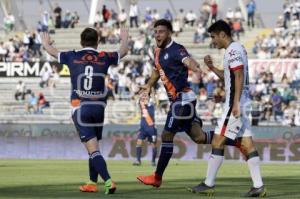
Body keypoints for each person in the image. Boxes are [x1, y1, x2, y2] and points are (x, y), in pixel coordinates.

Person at [136, 19, 236, 188]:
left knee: (167, 135)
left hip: (182, 99)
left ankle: (157, 177)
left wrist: (196, 66)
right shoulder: (157, 52)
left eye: (161, 31)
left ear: (169, 33)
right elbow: (156, 70)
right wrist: (148, 85)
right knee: (199, 137)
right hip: (182, 101)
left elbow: (188, 60)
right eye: (156, 32)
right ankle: (236, 140)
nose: (157, 35)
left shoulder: (177, 49)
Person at [40, 26, 129, 194]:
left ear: (81, 42)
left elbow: (52, 51)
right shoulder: (104, 57)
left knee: (93, 149)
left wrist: (46, 42)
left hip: (81, 108)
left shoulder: (72, 55)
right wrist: (124, 38)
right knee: (94, 147)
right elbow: (123, 51)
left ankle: (108, 181)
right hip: (99, 107)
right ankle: (91, 183)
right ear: (98, 42)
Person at [187, 20, 266, 197]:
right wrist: (212, 68)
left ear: (223, 34)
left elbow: (238, 75)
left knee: (217, 141)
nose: (213, 41)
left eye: (214, 37)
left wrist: (236, 103)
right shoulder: (235, 50)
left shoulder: (234, 50)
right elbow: (230, 77)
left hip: (235, 103)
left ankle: (208, 184)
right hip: (242, 101)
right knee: (247, 144)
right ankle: (258, 186)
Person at [133, 93, 157, 166]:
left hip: (151, 128)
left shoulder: (152, 105)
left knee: (153, 145)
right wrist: (141, 95)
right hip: (143, 128)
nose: (144, 97)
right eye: (143, 96)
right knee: (139, 143)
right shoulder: (141, 105)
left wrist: (152, 92)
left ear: (149, 98)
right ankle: (138, 161)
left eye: (146, 96)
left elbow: (155, 101)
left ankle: (153, 161)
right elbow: (137, 97)